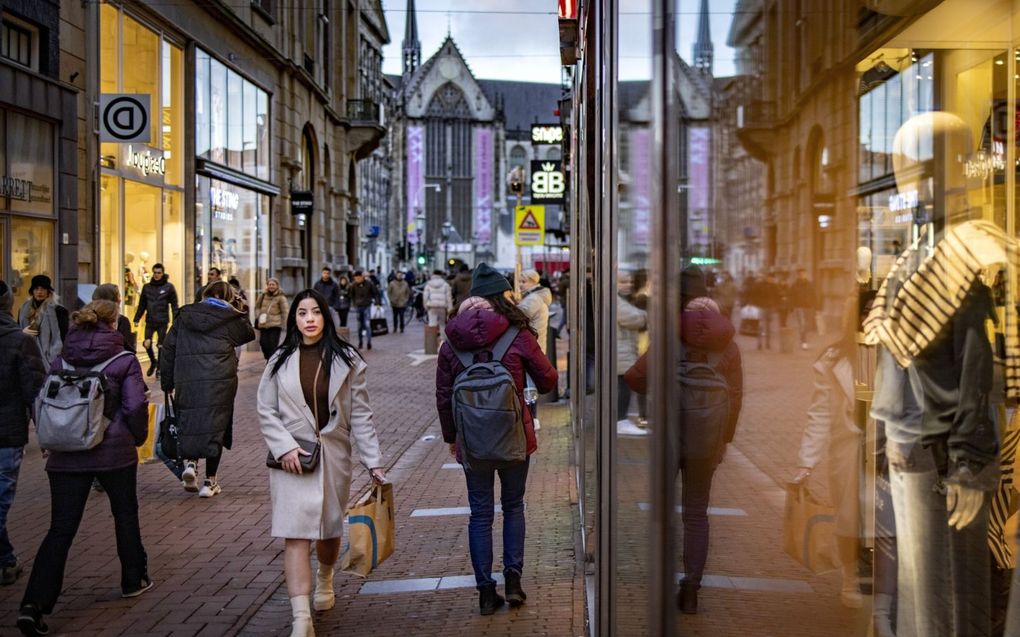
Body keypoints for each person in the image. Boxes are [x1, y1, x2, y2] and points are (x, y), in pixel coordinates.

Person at [17, 300, 151, 636]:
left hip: (66, 454)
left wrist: (52, 438)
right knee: (125, 513)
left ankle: (34, 604)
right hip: (114, 452)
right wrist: (135, 438)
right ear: (113, 322)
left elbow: (43, 399)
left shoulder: (63, 356)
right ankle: (133, 578)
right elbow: (135, 405)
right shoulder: (123, 359)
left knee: (60, 528)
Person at [258, 289, 385, 637]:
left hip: (332, 455)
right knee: (295, 535)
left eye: (315, 312)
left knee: (329, 529)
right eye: (302, 313)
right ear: (293, 319)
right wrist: (284, 448)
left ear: (326, 317)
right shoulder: (279, 360)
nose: (309, 319)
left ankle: (325, 578)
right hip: (291, 460)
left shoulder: (346, 359)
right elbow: (265, 409)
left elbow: (361, 414)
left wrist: (373, 462)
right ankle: (301, 619)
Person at [435, 263, 558, 616]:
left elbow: (444, 397)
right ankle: (514, 582)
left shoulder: (450, 341)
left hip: (472, 442)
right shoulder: (517, 334)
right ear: (502, 296)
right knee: (514, 506)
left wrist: (451, 438)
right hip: (515, 437)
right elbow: (548, 380)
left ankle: (486, 593)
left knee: (480, 514)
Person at [623, 267, 743, 615]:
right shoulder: (728, 346)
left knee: (663, 512)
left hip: (670, 437)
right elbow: (736, 397)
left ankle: (661, 580)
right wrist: (724, 439)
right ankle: (691, 589)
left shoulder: (669, 337)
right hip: (707, 440)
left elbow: (633, 378)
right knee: (696, 514)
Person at [792, 295, 863, 610]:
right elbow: (819, 414)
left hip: (890, 453)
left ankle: (884, 586)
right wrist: (807, 463)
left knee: (885, 522)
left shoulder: (900, 355)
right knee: (849, 520)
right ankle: (851, 577)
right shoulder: (834, 360)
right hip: (848, 451)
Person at [160, 281, 255, 497]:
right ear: (229, 296)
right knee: (216, 426)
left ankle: (191, 464)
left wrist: (168, 382)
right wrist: (239, 309)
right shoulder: (229, 318)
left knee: (191, 422)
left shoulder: (184, 316)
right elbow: (248, 334)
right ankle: (209, 482)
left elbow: (168, 349)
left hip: (187, 377)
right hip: (219, 379)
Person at [0, 280, 46, 587]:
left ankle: (6, 560)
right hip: (8, 431)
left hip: (9, 430)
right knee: (1, 497)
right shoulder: (19, 340)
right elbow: (35, 391)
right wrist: (46, 434)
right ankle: (5, 560)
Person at [132, 263, 179, 377]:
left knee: (161, 345)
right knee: (147, 343)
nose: (157, 275)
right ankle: (153, 362)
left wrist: (175, 319)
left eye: (159, 273)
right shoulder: (147, 287)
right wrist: (137, 318)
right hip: (150, 320)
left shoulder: (169, 287)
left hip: (163, 320)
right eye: (155, 273)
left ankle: (159, 368)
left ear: (163, 274)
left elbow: (174, 304)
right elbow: (142, 304)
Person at [616, 271, 647, 436]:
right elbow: (633, 318)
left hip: (624, 349)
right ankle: (620, 420)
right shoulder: (615, 300)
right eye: (623, 282)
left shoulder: (622, 299)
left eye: (629, 281)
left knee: (623, 385)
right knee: (624, 386)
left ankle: (621, 419)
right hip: (621, 350)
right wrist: (645, 315)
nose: (627, 284)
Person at [17, 274, 69, 366]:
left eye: (43, 289)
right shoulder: (23, 309)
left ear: (48, 292)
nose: (39, 292)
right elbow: (16, 333)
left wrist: (54, 356)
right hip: (26, 356)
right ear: (32, 291)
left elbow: (63, 337)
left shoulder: (59, 311)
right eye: (36, 289)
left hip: (50, 359)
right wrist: (22, 332)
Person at [517, 270, 552, 355]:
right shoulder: (536, 296)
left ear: (533, 282)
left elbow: (519, 316)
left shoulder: (534, 298)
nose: (520, 284)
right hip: (535, 344)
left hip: (532, 345)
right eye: (520, 282)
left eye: (524, 282)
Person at [93, 284, 136, 352]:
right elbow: (128, 351)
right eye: (118, 296)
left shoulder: (85, 319)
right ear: (113, 300)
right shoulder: (121, 321)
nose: (120, 300)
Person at [255, 279, 289, 360]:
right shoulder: (262, 295)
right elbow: (257, 307)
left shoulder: (281, 297)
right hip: (263, 324)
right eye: (269, 284)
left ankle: (271, 362)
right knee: (263, 344)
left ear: (277, 286)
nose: (271, 286)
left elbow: (285, 312)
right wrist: (258, 316)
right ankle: (269, 359)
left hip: (275, 325)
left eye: (273, 284)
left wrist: (285, 324)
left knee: (272, 346)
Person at [350, 270, 380, 350]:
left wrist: (377, 302)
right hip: (358, 307)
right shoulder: (353, 285)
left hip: (367, 306)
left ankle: (369, 342)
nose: (357, 280)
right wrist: (354, 304)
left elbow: (375, 293)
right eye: (356, 278)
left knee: (367, 324)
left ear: (362, 277)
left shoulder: (369, 284)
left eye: (359, 278)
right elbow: (351, 295)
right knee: (359, 325)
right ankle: (360, 342)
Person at [789, 269, 817, 350]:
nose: (802, 276)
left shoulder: (810, 284)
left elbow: (814, 295)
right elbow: (791, 296)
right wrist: (791, 307)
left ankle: (802, 339)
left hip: (808, 307)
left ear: (806, 275)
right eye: (801, 274)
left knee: (807, 325)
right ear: (798, 275)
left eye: (804, 274)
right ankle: (804, 342)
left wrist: (817, 306)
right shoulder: (795, 285)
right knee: (803, 324)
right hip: (799, 307)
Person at [424, 270, 453, 340]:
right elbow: (449, 298)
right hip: (442, 307)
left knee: (432, 324)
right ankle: (442, 342)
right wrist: (450, 309)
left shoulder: (428, 284)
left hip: (432, 306)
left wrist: (426, 306)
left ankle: (432, 343)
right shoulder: (445, 284)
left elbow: (425, 297)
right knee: (442, 324)